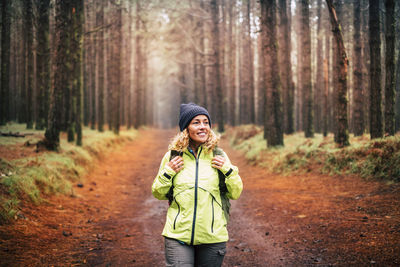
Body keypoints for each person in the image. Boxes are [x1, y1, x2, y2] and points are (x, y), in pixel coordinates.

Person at [152, 103, 243, 267]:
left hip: (213, 236)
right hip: (178, 235)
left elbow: (235, 192)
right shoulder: (172, 156)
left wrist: (228, 170)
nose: (203, 127)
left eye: (206, 122)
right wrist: (168, 172)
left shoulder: (218, 155)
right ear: (186, 127)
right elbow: (158, 193)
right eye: (196, 122)